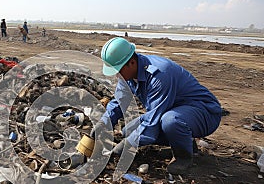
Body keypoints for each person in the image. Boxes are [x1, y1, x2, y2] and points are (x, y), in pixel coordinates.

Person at [94, 37, 222, 175]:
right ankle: (186, 143)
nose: (117, 76)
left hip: (204, 112)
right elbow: (119, 102)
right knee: (128, 131)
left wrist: (126, 146)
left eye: (118, 71)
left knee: (170, 121)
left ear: (131, 62)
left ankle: (183, 157)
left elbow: (151, 124)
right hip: (174, 110)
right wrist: (104, 123)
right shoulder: (129, 75)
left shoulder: (159, 75)